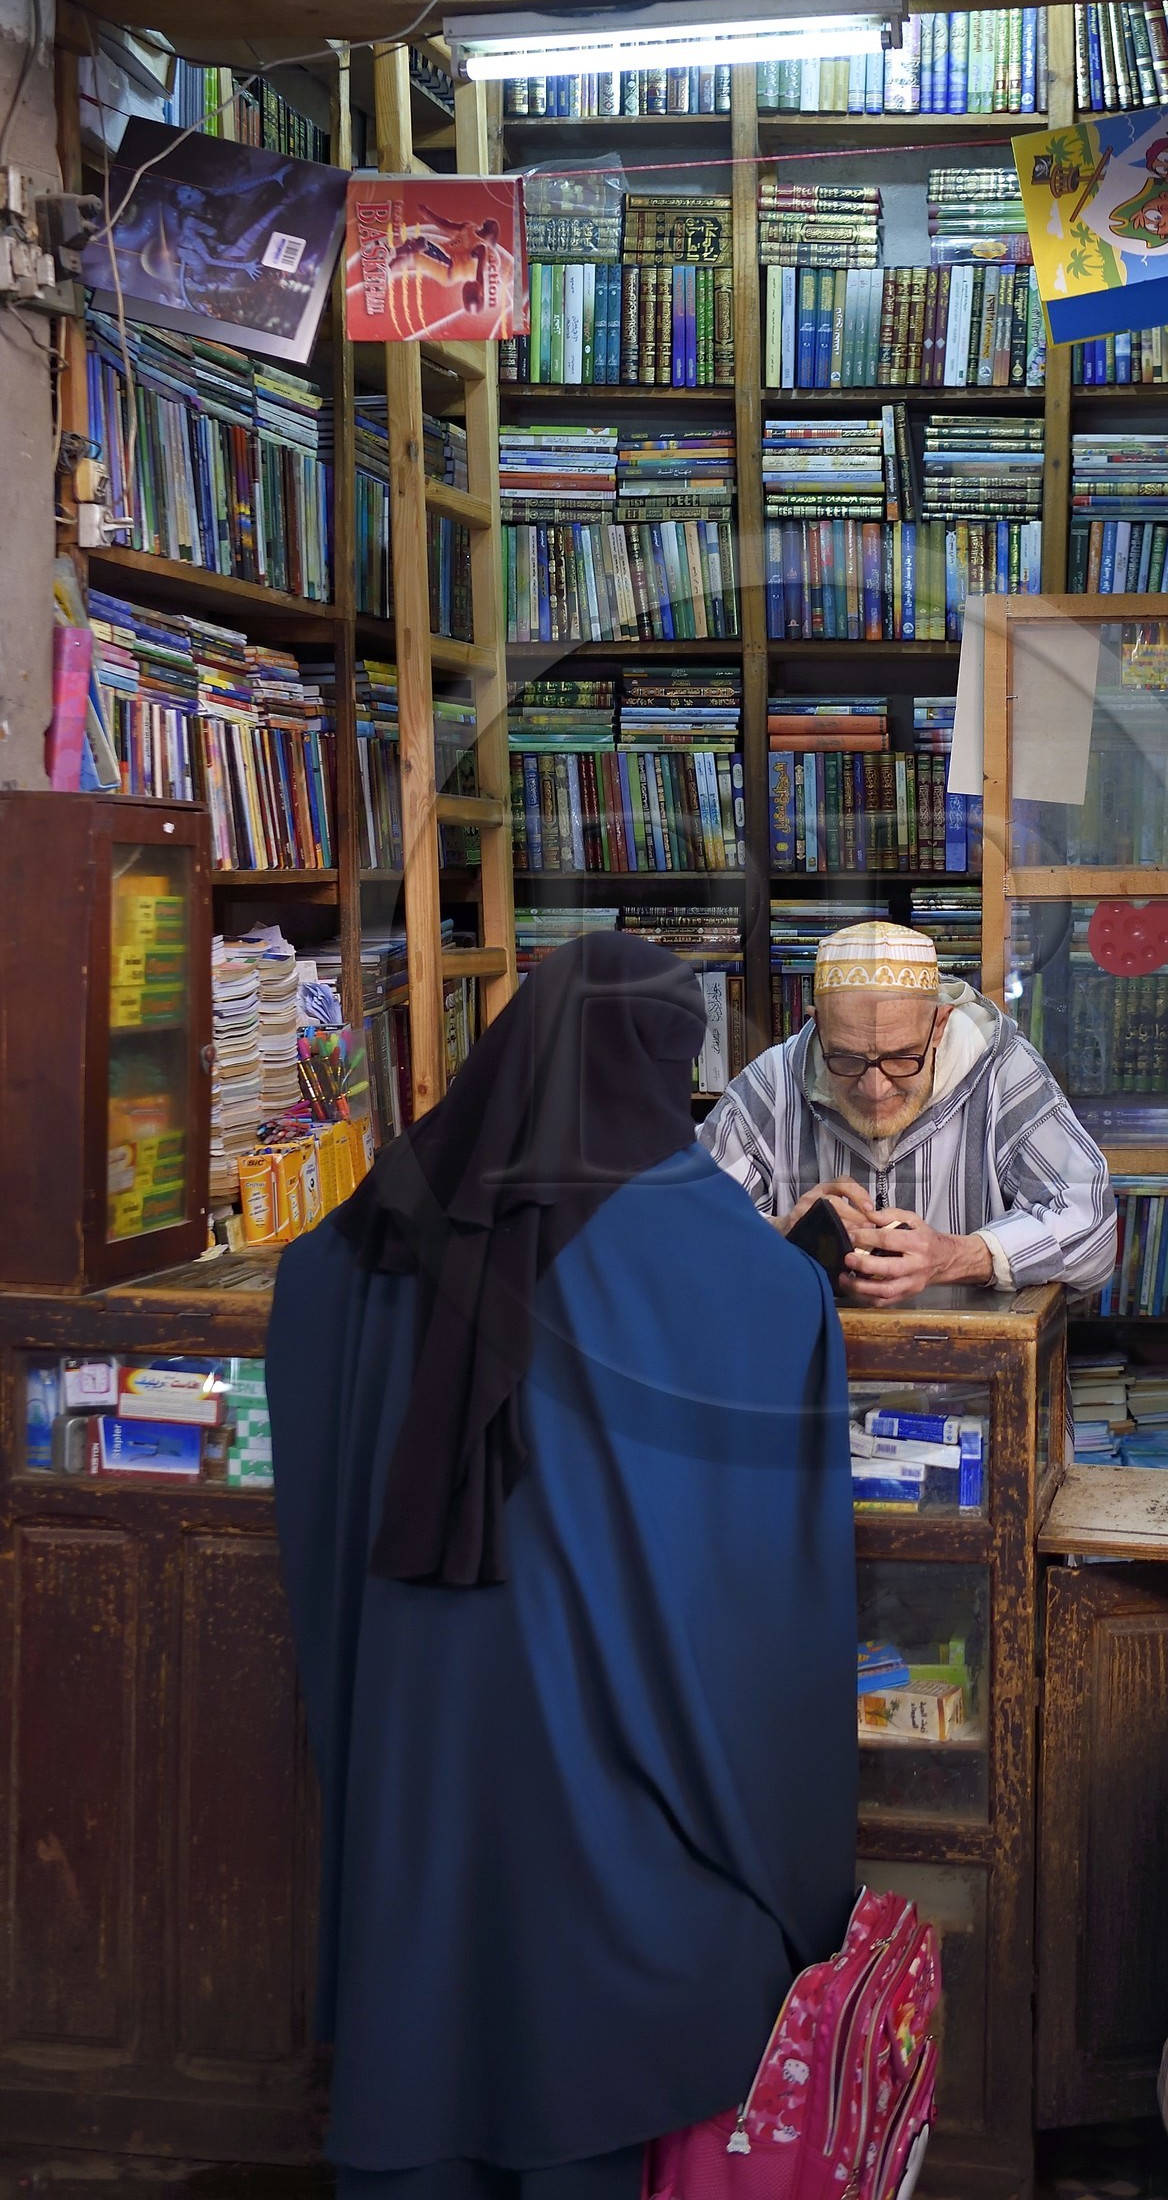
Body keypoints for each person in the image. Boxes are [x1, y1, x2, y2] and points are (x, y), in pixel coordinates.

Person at [265, 932, 858, 2200]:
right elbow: (766, 1336)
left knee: (437, 1961)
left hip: (429, 1711)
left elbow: (315, 1288)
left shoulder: (408, 1204)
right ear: (662, 1059)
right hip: (603, 1741)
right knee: (605, 1983)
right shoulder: (689, 1233)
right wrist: (803, 1259)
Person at [701, 920, 1116, 1308]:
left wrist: (955, 1257)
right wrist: (780, 1233)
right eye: (846, 1059)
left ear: (939, 1025)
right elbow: (675, 1224)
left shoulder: (1001, 1071)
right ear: (818, 1025)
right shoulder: (775, 1080)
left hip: (971, 1373)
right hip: (816, 1374)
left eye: (902, 1058)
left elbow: (1092, 1229)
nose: (875, 1088)